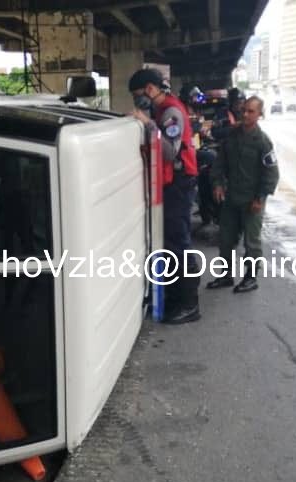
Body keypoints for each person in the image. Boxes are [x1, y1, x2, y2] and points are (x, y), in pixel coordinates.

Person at [128, 68, 201, 324]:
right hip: (172, 183)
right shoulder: (162, 110)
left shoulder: (170, 112)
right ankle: (175, 296)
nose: (138, 101)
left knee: (178, 242)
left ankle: (190, 305)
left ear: (149, 89)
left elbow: (169, 152)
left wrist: (146, 123)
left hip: (180, 183)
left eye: (138, 95)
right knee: (170, 241)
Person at [206, 95, 279, 293]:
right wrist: (218, 183)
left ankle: (250, 278)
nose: (245, 114)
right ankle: (226, 275)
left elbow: (272, 173)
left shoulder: (263, 142)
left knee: (251, 242)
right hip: (232, 197)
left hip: (251, 200)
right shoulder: (232, 135)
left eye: (251, 111)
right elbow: (220, 162)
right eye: (244, 110)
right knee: (226, 238)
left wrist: (260, 198)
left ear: (259, 115)